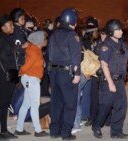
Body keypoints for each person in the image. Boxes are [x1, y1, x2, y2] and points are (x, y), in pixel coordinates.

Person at [92, 19, 128, 139]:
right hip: (108, 81)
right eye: (117, 30)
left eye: (120, 29)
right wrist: (110, 83)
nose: (121, 32)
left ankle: (116, 132)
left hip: (120, 82)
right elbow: (104, 65)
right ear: (111, 32)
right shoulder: (106, 46)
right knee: (105, 107)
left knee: (121, 107)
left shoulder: (122, 45)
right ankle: (96, 126)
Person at [48, 8, 81, 140]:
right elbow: (75, 56)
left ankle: (54, 131)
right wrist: (77, 73)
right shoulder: (72, 35)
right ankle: (66, 133)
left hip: (54, 72)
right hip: (67, 73)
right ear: (73, 21)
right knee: (70, 104)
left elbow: (49, 55)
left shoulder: (54, 34)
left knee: (56, 102)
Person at [14, 31, 49, 137]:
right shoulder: (35, 51)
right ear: (40, 41)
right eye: (45, 39)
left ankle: (19, 129)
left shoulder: (34, 48)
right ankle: (38, 131)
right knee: (35, 106)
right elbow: (27, 66)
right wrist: (20, 73)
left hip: (30, 79)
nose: (46, 41)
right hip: (31, 79)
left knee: (26, 105)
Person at [0, 14, 18, 140]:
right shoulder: (0, 38)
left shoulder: (7, 38)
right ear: (3, 27)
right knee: (1, 104)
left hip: (10, 74)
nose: (13, 27)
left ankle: (4, 130)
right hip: (3, 75)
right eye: (10, 25)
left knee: (6, 104)